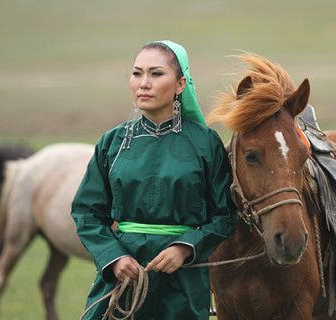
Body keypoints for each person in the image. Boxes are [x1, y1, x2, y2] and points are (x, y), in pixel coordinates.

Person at [71, 40, 238, 319]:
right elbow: (87, 212)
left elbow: (224, 216)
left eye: (156, 74)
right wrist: (114, 257)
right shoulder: (112, 142)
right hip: (123, 278)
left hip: (183, 280)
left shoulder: (206, 143)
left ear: (180, 84)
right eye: (137, 73)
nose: (143, 83)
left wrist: (185, 247)